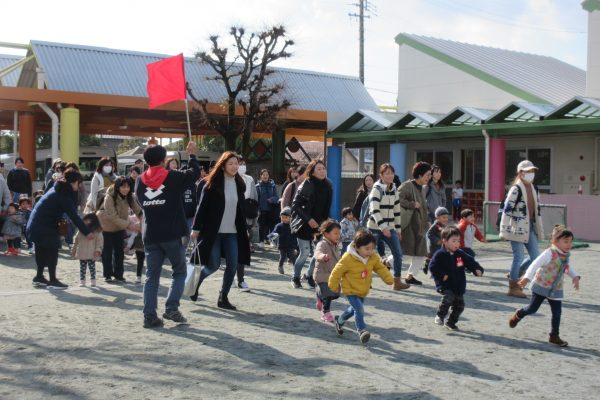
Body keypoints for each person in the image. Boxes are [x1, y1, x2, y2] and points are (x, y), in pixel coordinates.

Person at [137, 142, 200, 328]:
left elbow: (141, 202)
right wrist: (192, 155)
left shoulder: (140, 180)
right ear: (164, 160)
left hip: (150, 234)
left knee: (151, 276)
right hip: (173, 234)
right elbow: (194, 174)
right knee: (179, 272)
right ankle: (172, 308)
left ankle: (149, 316)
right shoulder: (173, 176)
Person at [191, 151, 250, 310]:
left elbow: (241, 210)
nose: (234, 166)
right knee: (213, 265)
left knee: (233, 265)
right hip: (213, 232)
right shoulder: (211, 183)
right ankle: (195, 283)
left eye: (236, 163)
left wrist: (244, 229)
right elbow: (201, 208)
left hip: (232, 233)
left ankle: (223, 297)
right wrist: (196, 228)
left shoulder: (240, 184)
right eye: (230, 163)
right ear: (223, 165)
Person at [509, 225, 581, 347]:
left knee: (557, 312)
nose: (569, 244)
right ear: (555, 241)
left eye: (570, 242)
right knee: (532, 309)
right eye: (565, 241)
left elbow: (567, 268)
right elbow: (534, 265)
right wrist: (527, 277)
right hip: (541, 286)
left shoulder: (565, 256)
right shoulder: (549, 253)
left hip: (556, 288)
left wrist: (575, 276)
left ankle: (554, 336)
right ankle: (519, 314)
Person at [27, 168, 92, 289]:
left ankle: (39, 277)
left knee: (41, 251)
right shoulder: (63, 195)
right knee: (52, 251)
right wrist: (87, 232)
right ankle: (52, 280)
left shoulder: (58, 188)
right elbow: (74, 216)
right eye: (79, 183)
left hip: (35, 224)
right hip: (43, 225)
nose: (80, 185)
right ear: (73, 182)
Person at [328, 229, 394, 343]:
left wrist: (388, 279)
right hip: (350, 289)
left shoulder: (373, 257)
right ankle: (362, 331)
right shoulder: (348, 258)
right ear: (357, 247)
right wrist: (333, 285)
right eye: (367, 248)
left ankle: (340, 320)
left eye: (372, 248)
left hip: (363, 289)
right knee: (359, 309)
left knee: (353, 310)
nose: (370, 251)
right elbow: (337, 271)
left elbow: (380, 268)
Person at [499, 160, 544, 299]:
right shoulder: (516, 189)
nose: (531, 174)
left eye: (532, 171)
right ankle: (513, 287)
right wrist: (504, 230)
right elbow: (507, 210)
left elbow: (537, 211)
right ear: (520, 173)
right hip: (515, 227)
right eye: (528, 171)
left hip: (529, 226)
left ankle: (515, 272)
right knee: (518, 256)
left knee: (536, 256)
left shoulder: (534, 188)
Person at [429, 226, 484, 331]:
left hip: (458, 284)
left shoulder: (460, 253)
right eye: (453, 241)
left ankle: (451, 322)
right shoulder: (439, 254)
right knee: (448, 298)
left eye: (458, 241)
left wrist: (477, 269)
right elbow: (433, 267)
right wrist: (442, 275)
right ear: (444, 241)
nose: (457, 244)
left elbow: (470, 261)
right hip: (445, 284)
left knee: (460, 306)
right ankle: (440, 316)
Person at [290, 160, 332, 289]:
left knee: (318, 254)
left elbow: (326, 207)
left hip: (320, 225)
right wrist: (308, 219)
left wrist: (326, 223)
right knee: (304, 253)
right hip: (303, 223)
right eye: (318, 169)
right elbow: (295, 205)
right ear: (312, 171)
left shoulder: (328, 185)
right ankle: (295, 277)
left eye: (323, 168)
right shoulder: (307, 184)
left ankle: (309, 275)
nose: (322, 171)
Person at [367, 163, 407, 290]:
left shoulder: (394, 188)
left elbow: (397, 211)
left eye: (391, 173)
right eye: (387, 173)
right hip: (374, 228)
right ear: (381, 175)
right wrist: (383, 227)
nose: (390, 176)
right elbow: (374, 210)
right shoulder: (376, 189)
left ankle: (397, 281)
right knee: (368, 255)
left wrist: (398, 230)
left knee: (398, 254)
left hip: (390, 228)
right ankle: (365, 280)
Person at [399, 161, 432, 286]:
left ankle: (410, 275)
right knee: (402, 250)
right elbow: (398, 199)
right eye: (427, 175)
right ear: (419, 175)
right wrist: (412, 204)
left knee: (421, 251)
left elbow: (423, 207)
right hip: (408, 225)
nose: (429, 178)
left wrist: (427, 220)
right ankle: (387, 263)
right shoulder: (407, 186)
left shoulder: (423, 188)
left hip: (419, 225)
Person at [313, 219, 342, 323]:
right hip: (322, 274)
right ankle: (326, 312)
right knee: (329, 294)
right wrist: (323, 256)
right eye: (335, 233)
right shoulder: (322, 243)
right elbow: (317, 253)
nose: (338, 235)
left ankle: (319, 296)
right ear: (326, 234)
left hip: (332, 275)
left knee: (336, 294)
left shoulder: (336, 245)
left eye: (339, 233)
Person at [237, 160, 258, 291]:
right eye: (238, 163)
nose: (240, 166)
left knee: (241, 249)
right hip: (228, 221)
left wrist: (255, 215)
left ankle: (240, 279)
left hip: (246, 216)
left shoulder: (249, 179)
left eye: (242, 163)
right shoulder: (224, 179)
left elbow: (254, 198)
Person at [71, 213, 104, 287]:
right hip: (82, 252)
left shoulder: (97, 231)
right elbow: (76, 241)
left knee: (92, 268)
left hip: (92, 253)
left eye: (87, 220)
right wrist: (73, 250)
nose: (85, 222)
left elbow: (100, 242)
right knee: (82, 268)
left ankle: (93, 280)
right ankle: (82, 281)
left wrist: (98, 250)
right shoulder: (81, 230)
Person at [256, 169, 279, 244]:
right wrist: (257, 209)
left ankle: (271, 241)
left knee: (271, 226)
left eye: (267, 175)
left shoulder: (272, 185)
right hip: (261, 209)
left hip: (271, 209)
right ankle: (261, 241)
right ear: (261, 176)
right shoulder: (258, 186)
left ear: (269, 176)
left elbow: (276, 197)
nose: (265, 176)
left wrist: (272, 199)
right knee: (261, 226)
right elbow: (256, 198)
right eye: (264, 175)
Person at [425, 206, 449, 274]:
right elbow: (429, 234)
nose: (445, 219)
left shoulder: (443, 225)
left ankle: (431, 265)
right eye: (443, 217)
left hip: (441, 246)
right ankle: (430, 267)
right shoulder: (435, 226)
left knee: (439, 258)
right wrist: (436, 240)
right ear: (437, 217)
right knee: (435, 258)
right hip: (434, 246)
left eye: (446, 217)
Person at [272, 207, 297, 275]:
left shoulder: (292, 226)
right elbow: (274, 233)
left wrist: (295, 247)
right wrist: (273, 237)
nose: (284, 219)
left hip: (290, 245)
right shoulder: (279, 226)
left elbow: (294, 237)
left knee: (293, 257)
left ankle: (296, 270)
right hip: (281, 245)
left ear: (290, 217)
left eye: (286, 217)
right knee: (282, 257)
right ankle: (280, 266)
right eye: (282, 217)